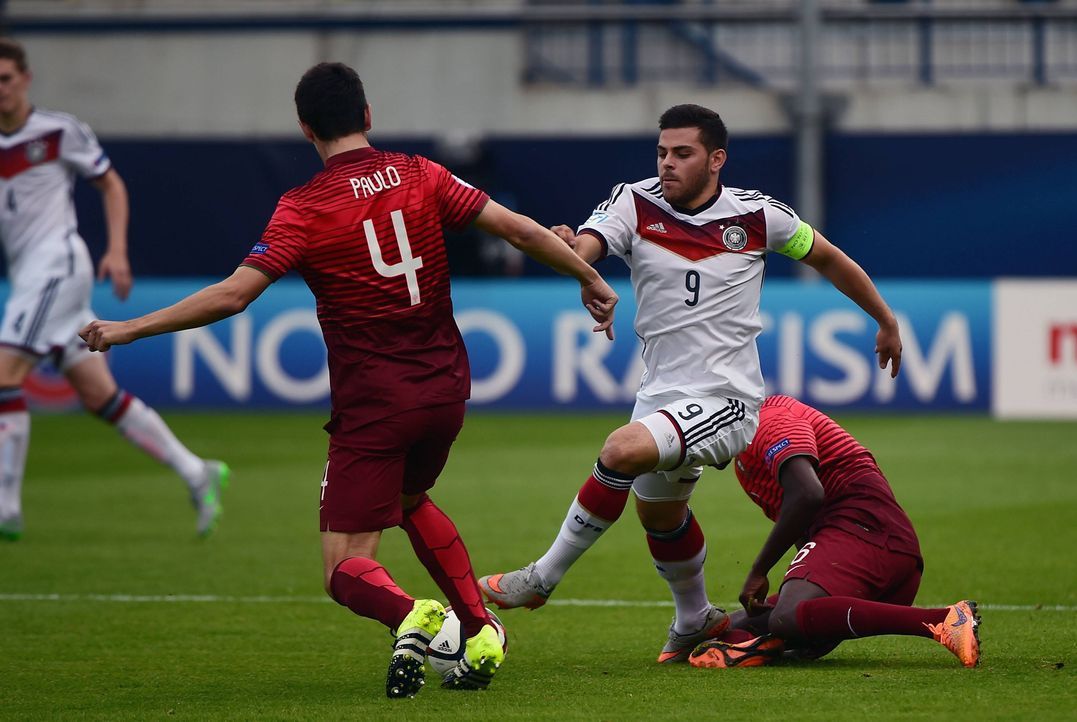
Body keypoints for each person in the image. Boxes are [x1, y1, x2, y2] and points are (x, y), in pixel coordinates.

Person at [80, 62, 618, 698]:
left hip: (375, 404)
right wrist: (590, 278)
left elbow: (232, 296)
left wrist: (126, 329)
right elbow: (518, 229)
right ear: (368, 115)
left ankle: (416, 617)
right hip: (447, 386)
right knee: (411, 501)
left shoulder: (303, 208)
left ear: (306, 129)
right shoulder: (423, 174)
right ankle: (481, 626)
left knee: (344, 569)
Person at [479, 103, 903, 664]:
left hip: (727, 398)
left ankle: (542, 576)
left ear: (716, 159)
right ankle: (694, 617)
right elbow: (587, 249)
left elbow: (828, 259)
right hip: (660, 394)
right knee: (660, 515)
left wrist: (885, 318)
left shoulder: (759, 216)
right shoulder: (633, 201)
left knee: (620, 450)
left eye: (682, 153)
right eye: (661, 152)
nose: (667, 164)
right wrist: (569, 253)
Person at [0, 38, 228, 541]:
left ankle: (6, 507)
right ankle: (197, 471)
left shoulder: (58, 132)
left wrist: (118, 249)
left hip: (56, 265)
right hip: (31, 276)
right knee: (98, 395)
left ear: (25, 80)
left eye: (6, 80)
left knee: (3, 373)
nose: (1, 91)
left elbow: (111, 184)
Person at [688, 394, 980, 669]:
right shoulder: (743, 461)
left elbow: (808, 494)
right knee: (738, 624)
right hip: (868, 554)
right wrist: (808, 637)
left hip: (871, 534)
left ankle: (944, 620)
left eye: (696, 434)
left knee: (784, 617)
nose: (694, 448)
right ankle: (745, 643)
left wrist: (758, 570)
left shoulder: (770, 420)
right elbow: (807, 532)